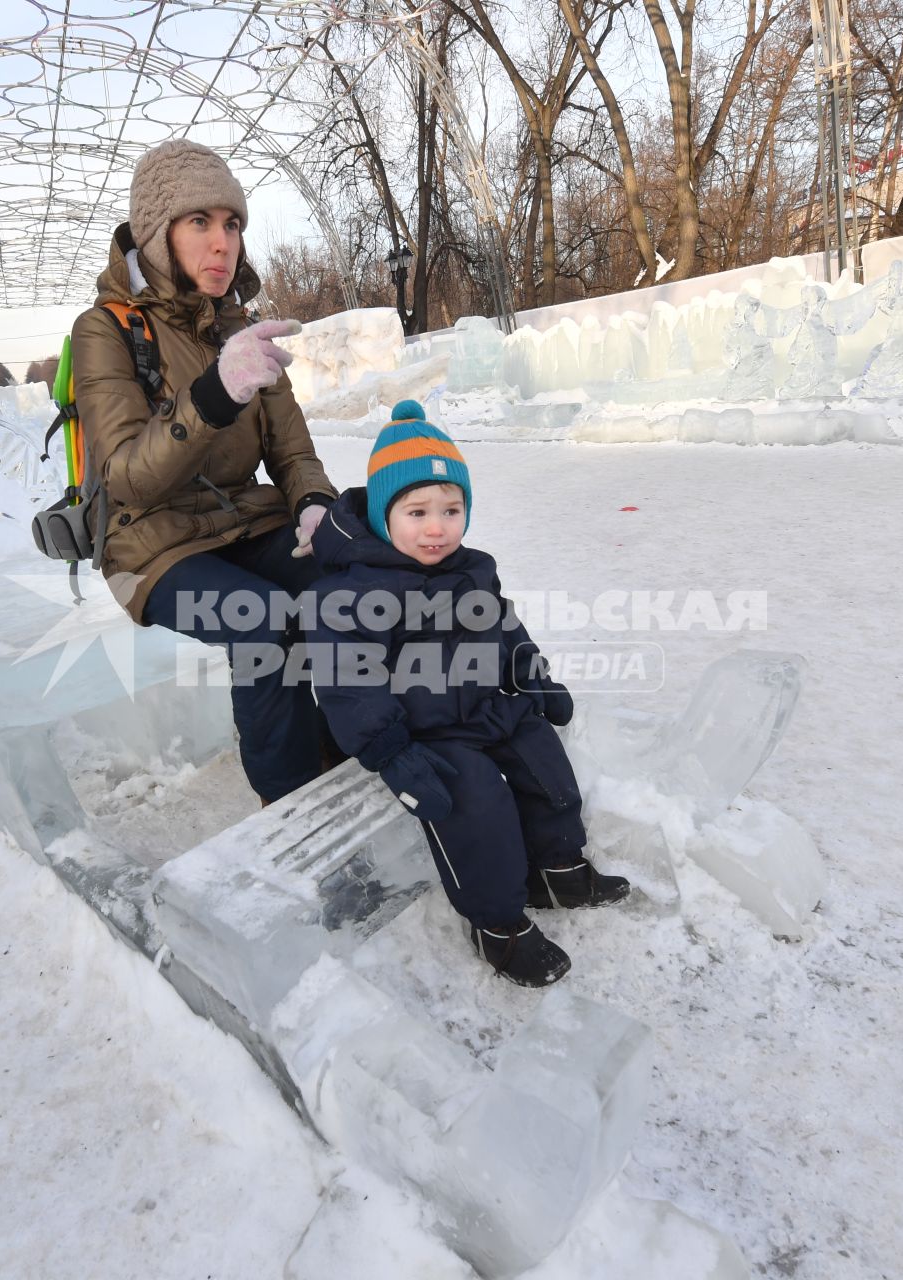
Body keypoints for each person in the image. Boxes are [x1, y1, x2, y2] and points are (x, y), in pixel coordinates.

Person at [305, 402, 631, 987]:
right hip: (425, 730)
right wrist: (392, 752)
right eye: (418, 511)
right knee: (475, 804)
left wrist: (534, 676)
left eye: (452, 510)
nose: (437, 527)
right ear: (384, 516)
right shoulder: (352, 591)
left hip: (486, 705)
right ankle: (498, 924)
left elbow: (503, 627)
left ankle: (559, 870)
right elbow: (347, 678)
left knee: (544, 763)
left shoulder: (473, 568)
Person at [71, 138, 340, 806]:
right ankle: (295, 808)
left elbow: (293, 452)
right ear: (156, 235)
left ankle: (352, 746)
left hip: (242, 523)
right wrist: (216, 395)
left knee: (357, 562)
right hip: (150, 548)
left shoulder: (239, 328)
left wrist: (313, 503)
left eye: (233, 223)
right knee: (265, 619)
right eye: (200, 222)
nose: (223, 243)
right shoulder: (103, 330)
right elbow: (130, 479)